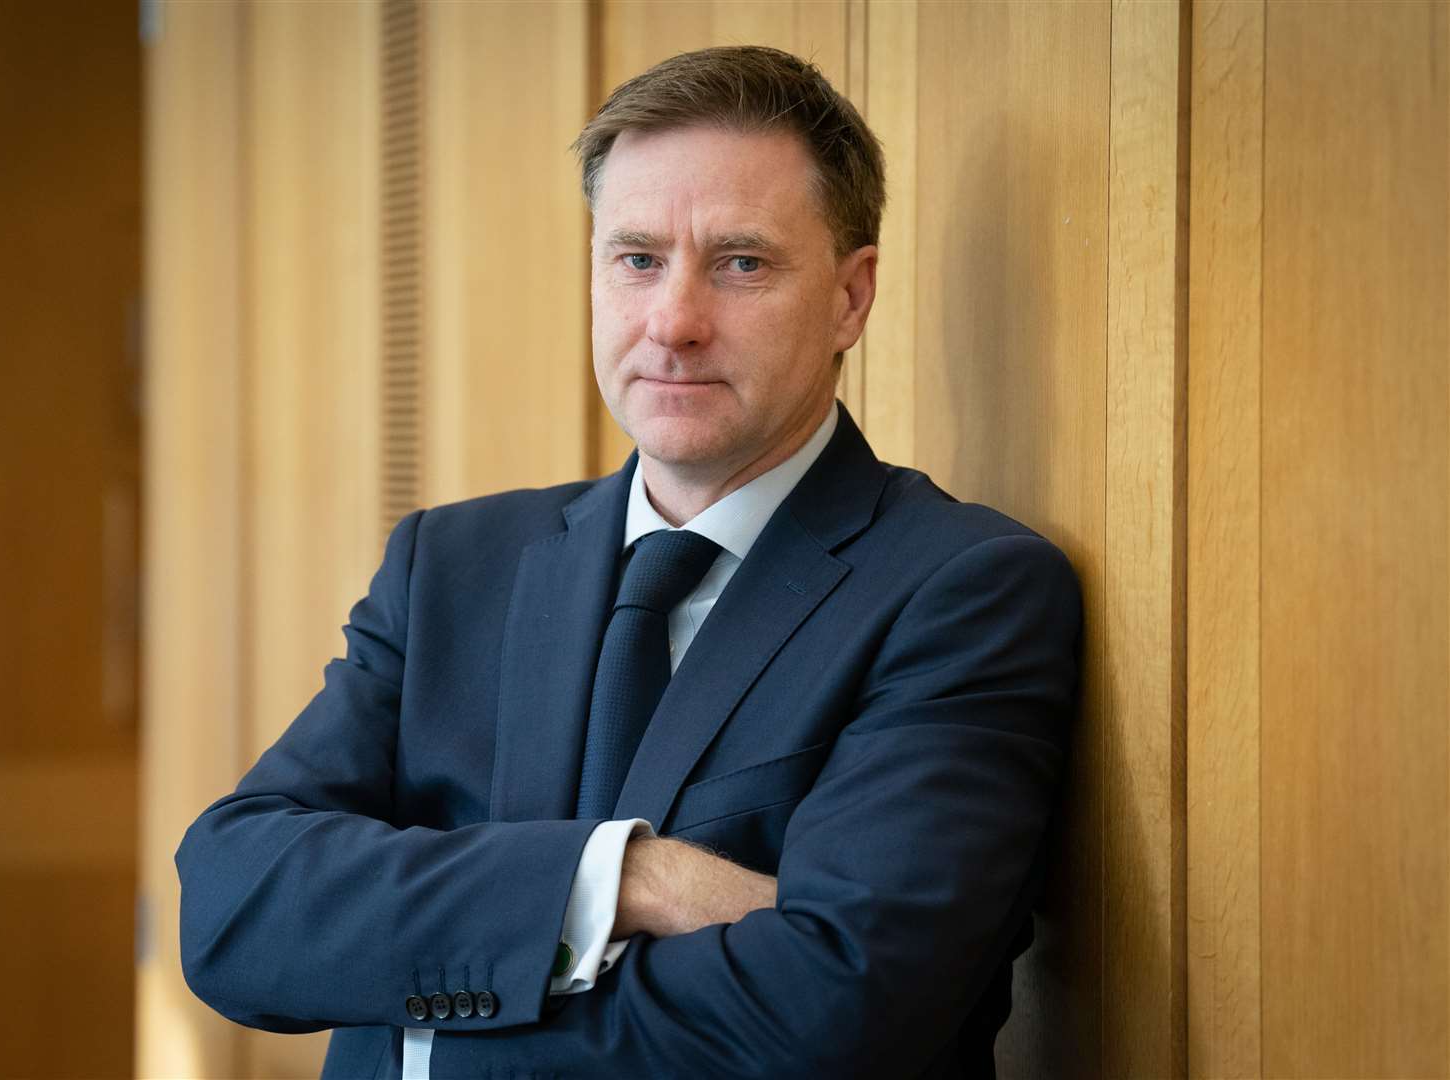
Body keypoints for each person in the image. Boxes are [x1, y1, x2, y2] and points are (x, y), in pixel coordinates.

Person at [177, 45, 1081, 1079]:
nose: (675, 321)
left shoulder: (962, 590)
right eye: (638, 258)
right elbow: (233, 907)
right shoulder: (452, 569)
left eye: (741, 262)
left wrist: (415, 1024)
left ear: (849, 297)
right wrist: (628, 878)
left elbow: (844, 1012)